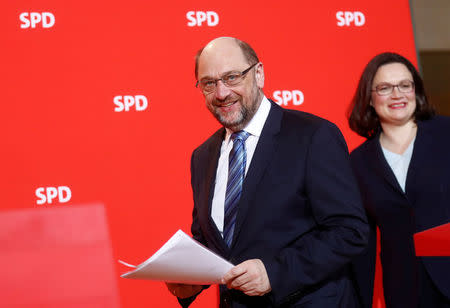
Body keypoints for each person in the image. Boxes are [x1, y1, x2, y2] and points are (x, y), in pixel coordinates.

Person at [167, 36, 369, 308]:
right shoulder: (202, 157)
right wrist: (190, 277)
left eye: (232, 77)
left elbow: (349, 231)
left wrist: (275, 272)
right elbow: (213, 241)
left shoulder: (313, 136)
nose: (221, 93)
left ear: (259, 74)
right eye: (209, 83)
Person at [348, 52, 450, 308]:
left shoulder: (446, 134)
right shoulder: (358, 162)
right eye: (384, 88)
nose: (397, 94)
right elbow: (362, 243)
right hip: (404, 290)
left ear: (415, 90)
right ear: (369, 98)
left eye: (405, 85)